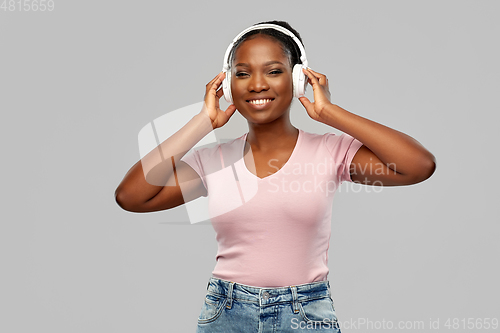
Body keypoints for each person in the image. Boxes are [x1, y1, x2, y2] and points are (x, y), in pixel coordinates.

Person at [115, 20, 436, 333]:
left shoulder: (331, 152)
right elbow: (131, 196)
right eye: (242, 74)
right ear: (227, 86)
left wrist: (329, 112)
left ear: (298, 79)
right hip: (227, 313)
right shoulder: (211, 160)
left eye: (273, 71)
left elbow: (418, 165)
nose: (257, 84)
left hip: (306, 314)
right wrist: (203, 122)